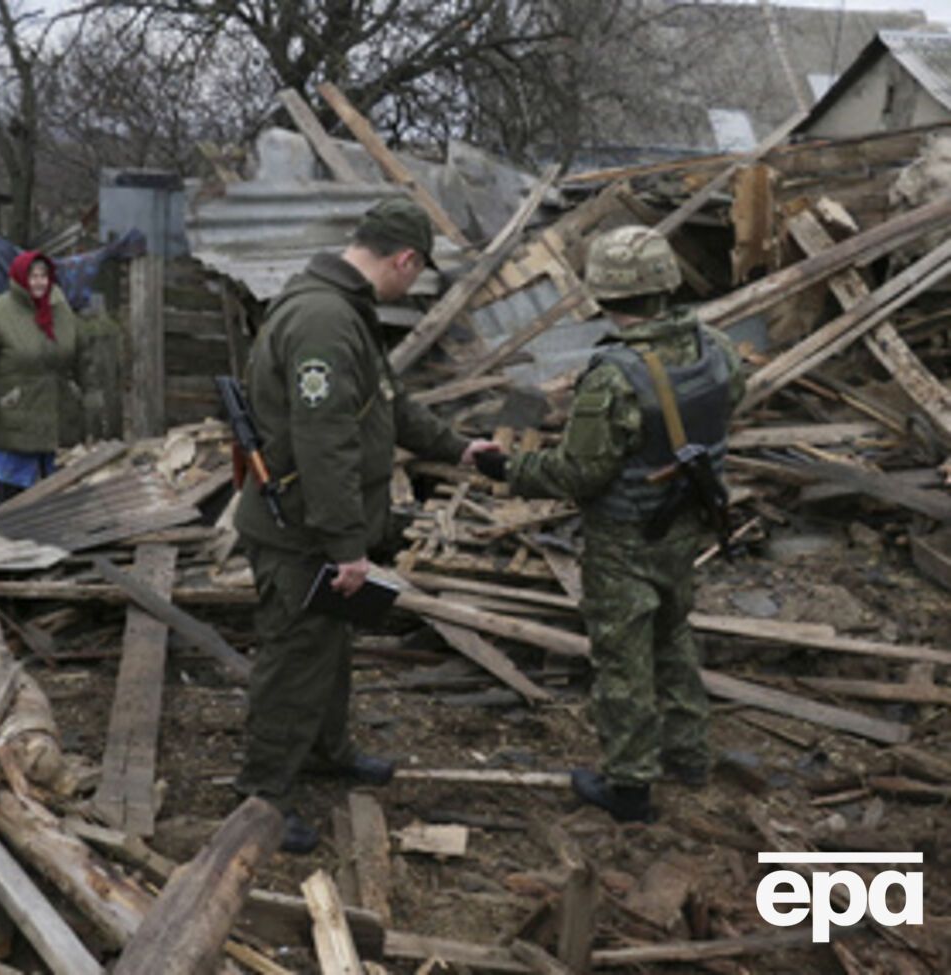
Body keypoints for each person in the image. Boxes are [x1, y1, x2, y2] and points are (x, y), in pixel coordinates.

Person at [233, 198, 499, 853]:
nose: (415, 284)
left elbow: (388, 409)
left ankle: (327, 749)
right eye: (418, 272)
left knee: (327, 649)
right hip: (300, 531)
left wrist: (457, 447)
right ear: (404, 259)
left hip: (315, 530)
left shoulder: (343, 308)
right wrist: (346, 546)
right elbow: (323, 441)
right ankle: (263, 794)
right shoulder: (325, 319)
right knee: (294, 658)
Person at [472, 225, 745, 823]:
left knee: (623, 660)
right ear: (665, 282)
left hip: (625, 539)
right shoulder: (716, 347)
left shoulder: (614, 377)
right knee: (673, 636)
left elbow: (578, 474)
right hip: (687, 525)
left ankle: (629, 785)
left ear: (604, 292)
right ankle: (689, 756)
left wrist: (506, 468)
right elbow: (727, 413)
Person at [0, 250, 99, 502]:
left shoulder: (61, 309)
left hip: (58, 413)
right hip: (17, 410)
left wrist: (89, 392)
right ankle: (8, 536)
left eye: (43, 276)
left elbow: (83, 356)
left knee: (57, 489)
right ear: (19, 279)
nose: (39, 282)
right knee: (14, 491)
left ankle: (56, 538)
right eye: (32, 276)